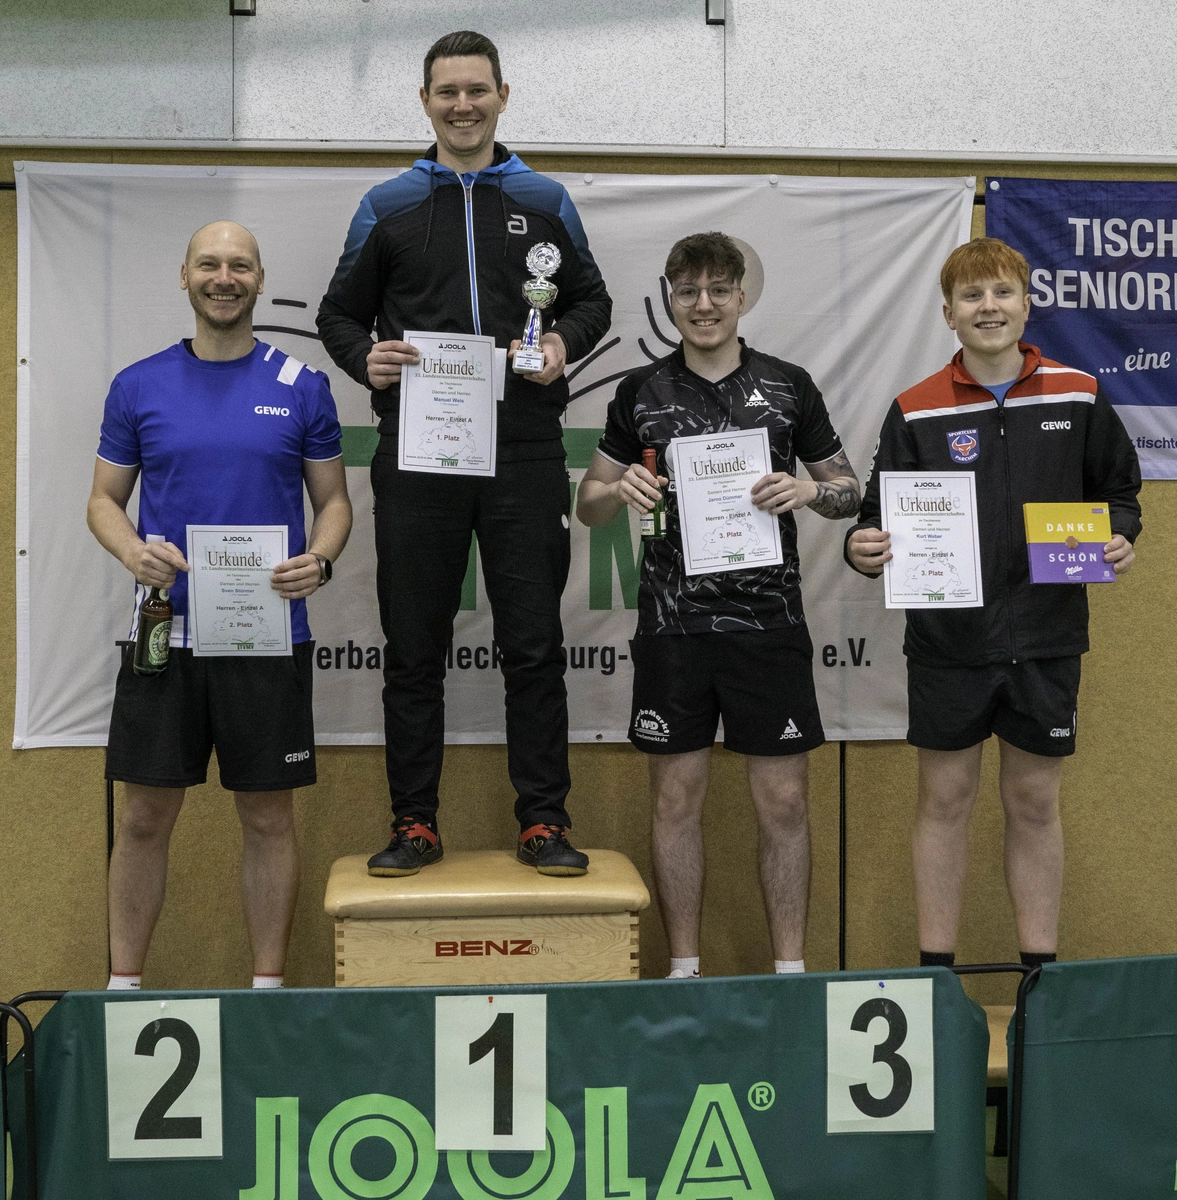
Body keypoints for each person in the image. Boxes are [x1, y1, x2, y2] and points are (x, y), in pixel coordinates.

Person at [317, 30, 612, 878]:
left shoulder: (545, 198)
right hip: (421, 449)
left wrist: (561, 343)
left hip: (523, 449)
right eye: (446, 91)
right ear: (425, 102)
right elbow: (339, 314)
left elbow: (590, 300)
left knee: (533, 646)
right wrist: (362, 358)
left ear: (502, 96)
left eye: (476, 90)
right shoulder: (387, 204)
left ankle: (543, 822)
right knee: (413, 649)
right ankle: (414, 823)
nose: (462, 105)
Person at [845, 236, 1141, 971]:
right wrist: (862, 546)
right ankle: (936, 976)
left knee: (1034, 803)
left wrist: (1119, 536)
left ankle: (1039, 977)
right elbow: (876, 517)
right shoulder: (914, 408)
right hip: (949, 644)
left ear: (1026, 305)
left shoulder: (1077, 393)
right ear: (947, 313)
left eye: (1002, 292)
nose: (988, 307)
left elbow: (1118, 493)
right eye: (971, 295)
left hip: (1045, 638)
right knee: (944, 802)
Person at [577, 232, 860, 977]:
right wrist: (618, 489)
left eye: (718, 291)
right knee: (675, 803)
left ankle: (790, 973)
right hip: (673, 628)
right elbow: (588, 504)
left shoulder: (789, 385)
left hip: (770, 626)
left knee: (785, 805)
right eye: (688, 291)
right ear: (669, 299)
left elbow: (848, 491)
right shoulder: (639, 392)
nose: (703, 305)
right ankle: (684, 971)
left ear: (741, 297)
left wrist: (808, 488)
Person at [87, 220, 352, 990]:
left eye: (240, 265)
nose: (224, 278)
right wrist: (131, 551)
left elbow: (334, 503)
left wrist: (319, 560)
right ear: (185, 276)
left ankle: (265, 990)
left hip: (266, 637)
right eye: (209, 264)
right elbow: (103, 502)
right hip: (163, 636)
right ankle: (124, 989)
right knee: (143, 818)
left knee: (267, 818)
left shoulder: (301, 385)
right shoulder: (138, 385)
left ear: (260, 280)